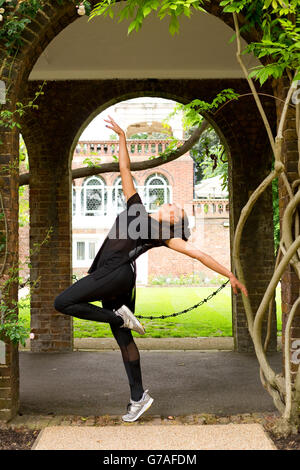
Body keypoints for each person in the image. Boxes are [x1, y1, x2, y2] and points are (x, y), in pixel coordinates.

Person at [54, 115, 248, 422]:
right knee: (123, 339)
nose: (172, 205)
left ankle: (118, 317)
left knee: (62, 302)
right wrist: (121, 137)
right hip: (121, 278)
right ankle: (138, 397)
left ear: (173, 221)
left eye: (176, 210)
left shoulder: (162, 233)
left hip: (115, 272)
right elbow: (125, 169)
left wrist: (230, 275)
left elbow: (197, 254)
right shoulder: (136, 207)